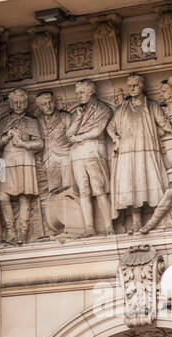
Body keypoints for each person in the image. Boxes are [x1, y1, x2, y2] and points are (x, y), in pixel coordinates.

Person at [108, 74, 172, 233]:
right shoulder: (121, 109)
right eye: (129, 85)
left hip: (146, 149)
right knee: (131, 184)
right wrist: (114, 137)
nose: (131, 88)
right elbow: (110, 127)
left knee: (149, 180)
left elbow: (163, 122)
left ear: (142, 86)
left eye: (135, 85)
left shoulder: (151, 105)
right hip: (127, 152)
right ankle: (136, 221)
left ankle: (159, 217)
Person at [65, 79, 114, 237]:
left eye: (81, 92)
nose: (78, 96)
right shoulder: (77, 112)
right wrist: (78, 118)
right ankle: (89, 228)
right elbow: (68, 134)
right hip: (78, 155)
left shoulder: (103, 109)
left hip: (94, 151)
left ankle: (108, 226)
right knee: (84, 191)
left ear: (91, 91)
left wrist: (78, 138)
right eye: (77, 93)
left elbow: (97, 131)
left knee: (99, 190)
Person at [0, 88, 43, 243]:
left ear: (26, 103)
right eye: (16, 102)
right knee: (2, 196)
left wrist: (24, 143)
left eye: (22, 102)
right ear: (11, 103)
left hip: (24, 159)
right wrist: (6, 138)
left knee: (24, 197)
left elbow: (40, 143)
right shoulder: (4, 122)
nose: (19, 105)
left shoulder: (31, 122)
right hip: (5, 160)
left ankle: (22, 232)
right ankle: (10, 230)